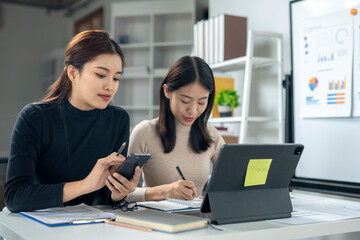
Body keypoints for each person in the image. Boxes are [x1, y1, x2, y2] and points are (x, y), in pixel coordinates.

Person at [4, 30, 140, 213]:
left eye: (116, 78)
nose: (111, 86)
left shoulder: (118, 119)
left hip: (96, 224)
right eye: (101, 75)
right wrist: (85, 185)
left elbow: (104, 196)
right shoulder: (34, 117)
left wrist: (117, 193)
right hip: (41, 224)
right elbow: (15, 196)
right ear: (73, 73)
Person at [126, 56, 225, 202]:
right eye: (185, 101)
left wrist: (212, 198)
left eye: (202, 102)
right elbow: (122, 193)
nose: (193, 110)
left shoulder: (211, 134)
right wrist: (165, 191)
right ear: (167, 91)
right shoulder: (144, 132)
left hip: (198, 220)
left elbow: (233, 180)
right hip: (156, 220)